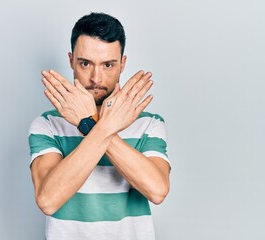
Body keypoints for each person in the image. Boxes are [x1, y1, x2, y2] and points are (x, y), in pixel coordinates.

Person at [28, 12, 171, 240]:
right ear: (71, 60)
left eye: (108, 65)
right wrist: (102, 126)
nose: (96, 78)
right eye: (85, 63)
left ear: (122, 64)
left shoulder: (150, 123)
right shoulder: (47, 124)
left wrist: (89, 125)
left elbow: (157, 190)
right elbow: (48, 200)